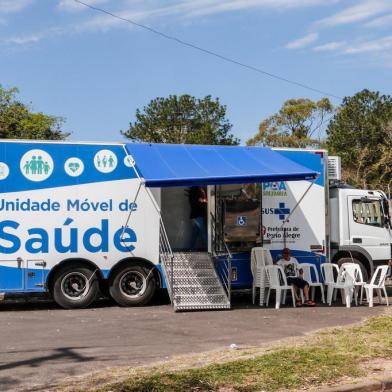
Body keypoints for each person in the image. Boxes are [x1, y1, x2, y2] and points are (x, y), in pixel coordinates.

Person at [188, 186, 208, 251]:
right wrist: (206, 200)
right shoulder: (196, 192)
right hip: (198, 215)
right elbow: (202, 201)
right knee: (203, 232)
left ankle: (191, 248)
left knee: (195, 233)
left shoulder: (192, 193)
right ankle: (209, 248)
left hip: (194, 215)